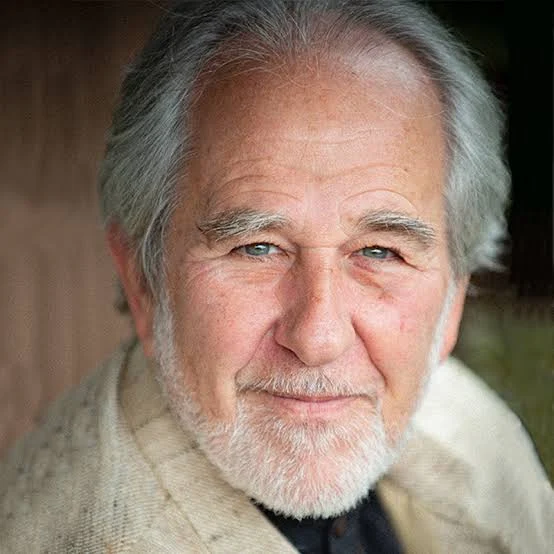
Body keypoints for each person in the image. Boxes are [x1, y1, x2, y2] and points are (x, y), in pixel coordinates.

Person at [1, 0, 552, 552]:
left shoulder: (476, 438)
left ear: (454, 296)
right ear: (143, 282)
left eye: (380, 252)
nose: (318, 339)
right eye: (257, 248)